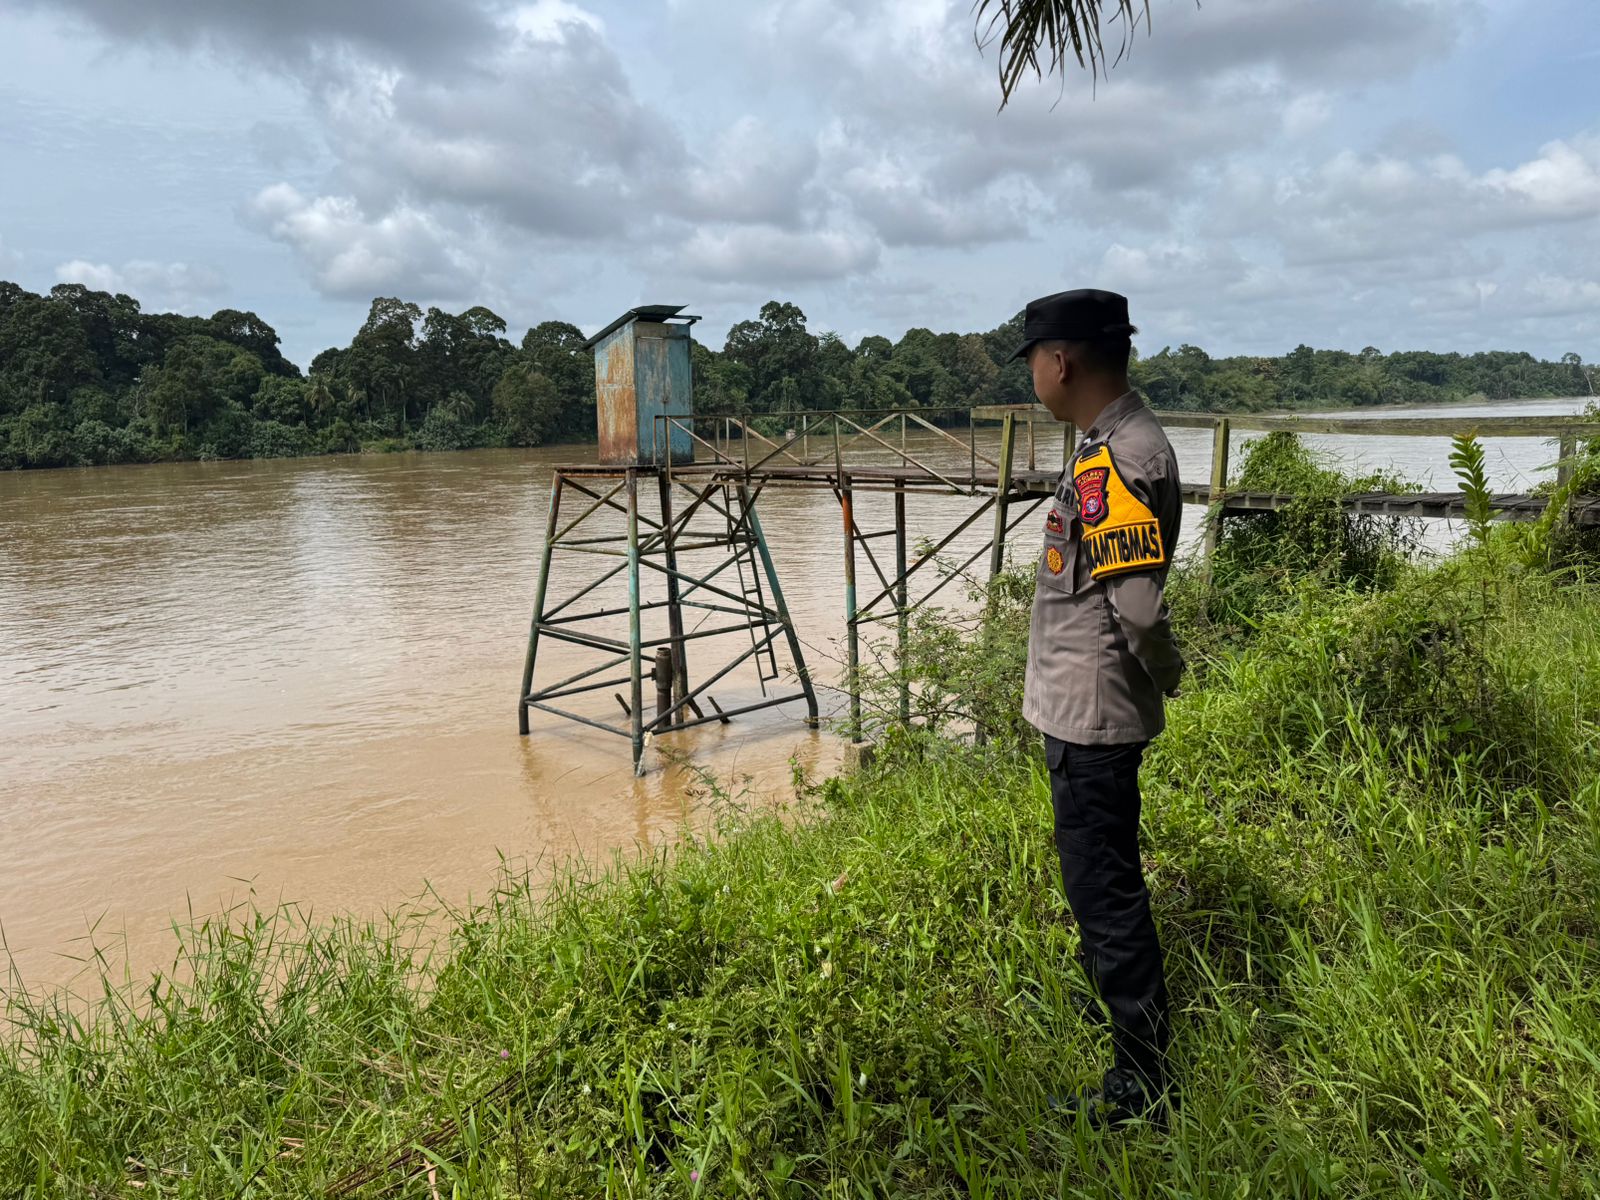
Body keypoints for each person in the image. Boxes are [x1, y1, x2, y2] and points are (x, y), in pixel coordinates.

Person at [1012, 288, 1186, 1126]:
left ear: (1062, 361)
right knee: (1103, 884)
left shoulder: (1111, 460)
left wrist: (1167, 672)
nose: (1034, 379)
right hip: (1093, 711)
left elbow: (1140, 609)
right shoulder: (1119, 442)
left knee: (1106, 895)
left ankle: (1141, 1083)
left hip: (1091, 717)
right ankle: (1128, 1028)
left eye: (1033, 364)